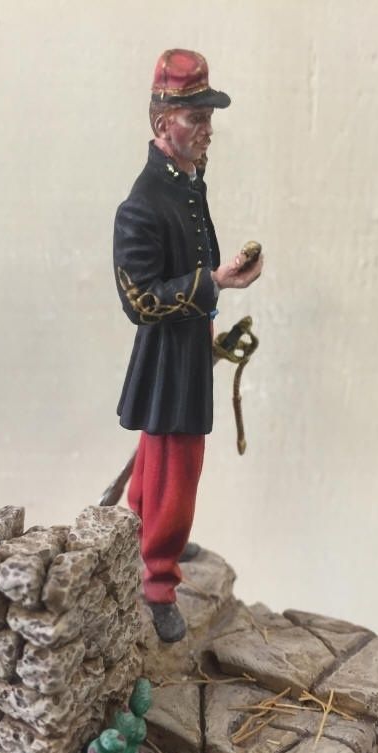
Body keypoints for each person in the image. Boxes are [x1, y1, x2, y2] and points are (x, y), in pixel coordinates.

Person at [113, 49, 263, 642]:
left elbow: (188, 264)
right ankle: (157, 581)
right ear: (161, 124)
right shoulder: (142, 205)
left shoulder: (186, 184)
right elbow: (140, 301)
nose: (207, 130)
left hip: (188, 344)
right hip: (168, 357)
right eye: (195, 117)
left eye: (208, 117)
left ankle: (141, 528)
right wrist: (215, 283)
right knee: (179, 467)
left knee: (158, 456)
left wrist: (210, 325)